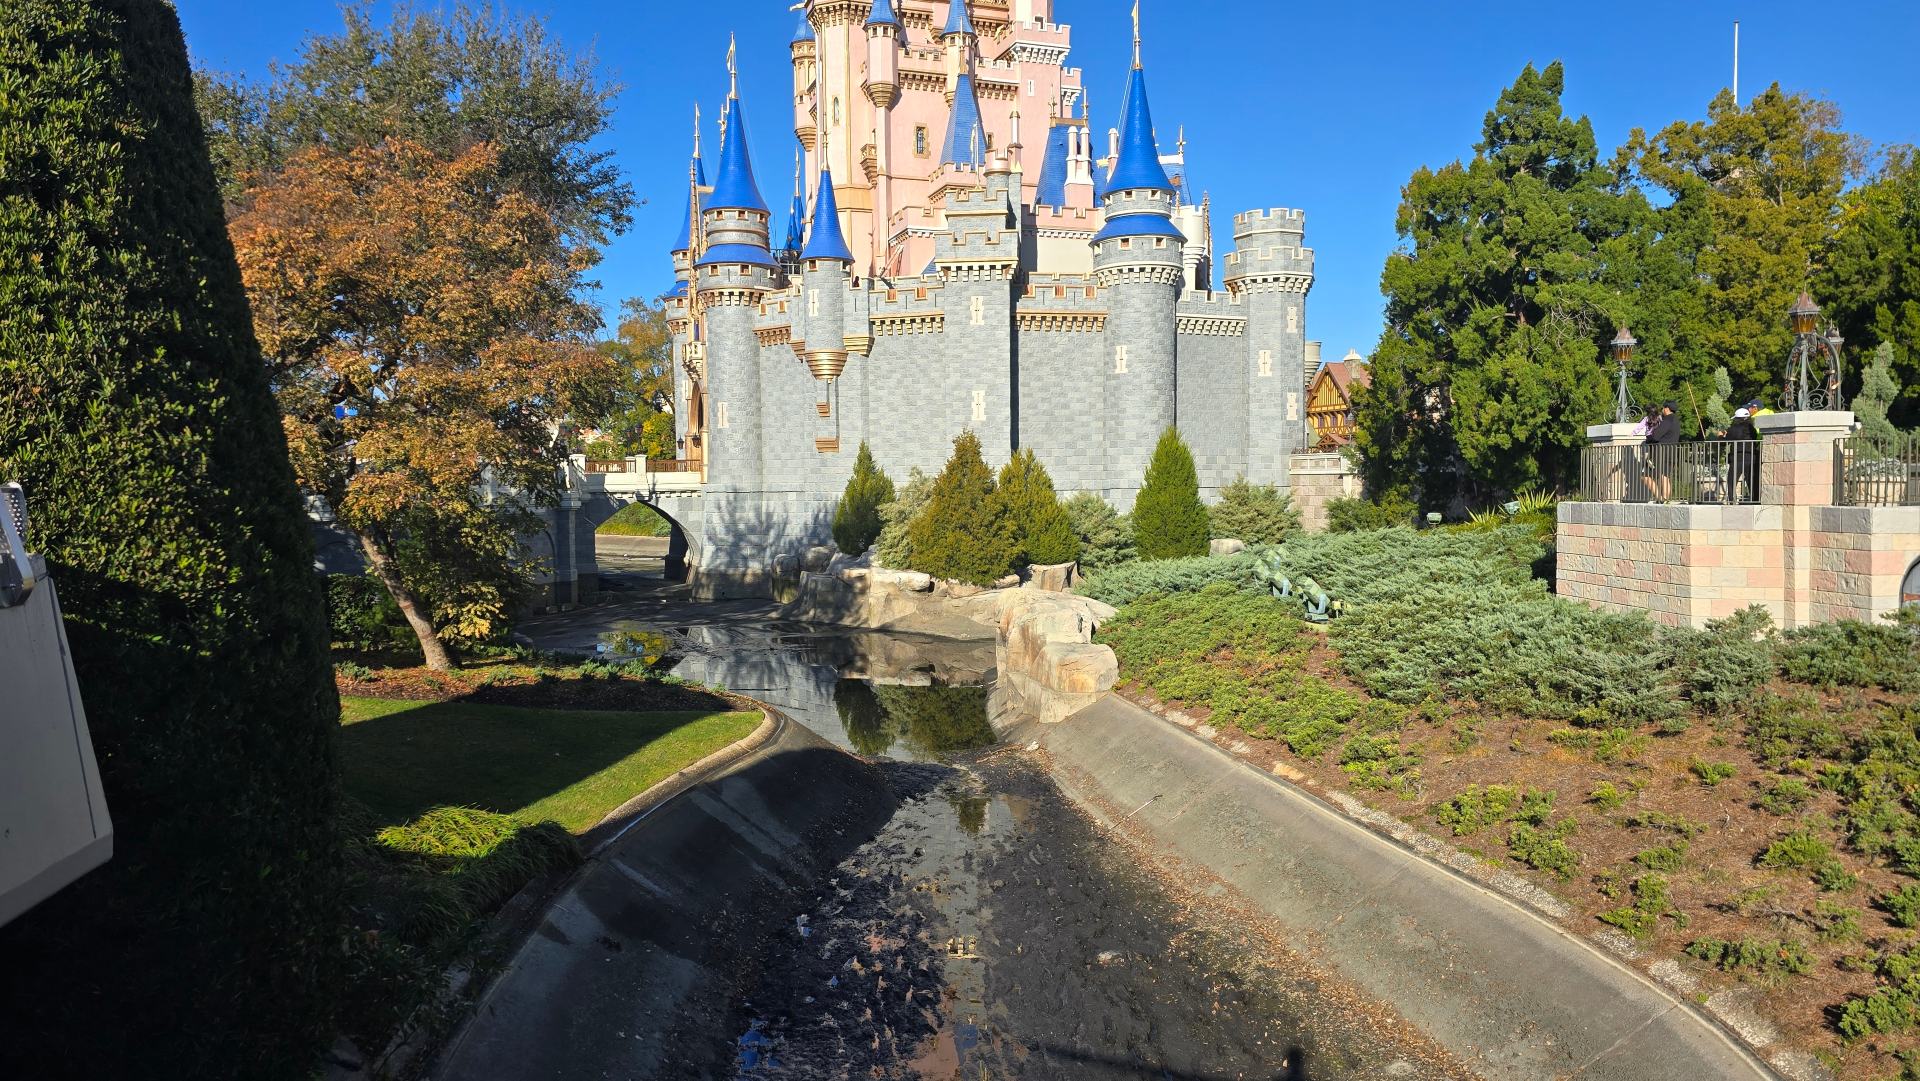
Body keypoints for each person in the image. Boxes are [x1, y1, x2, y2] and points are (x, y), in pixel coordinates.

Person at [1646, 401, 1681, 502]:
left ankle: (1663, 499)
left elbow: (1656, 436)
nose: (1662, 410)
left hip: (1662, 453)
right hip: (1671, 452)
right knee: (1665, 476)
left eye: (1663, 408)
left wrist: (1648, 439)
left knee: (1655, 476)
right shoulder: (1676, 420)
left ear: (1666, 408)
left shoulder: (1667, 420)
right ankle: (1664, 500)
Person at [1725, 407, 1760, 503]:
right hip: (1751, 456)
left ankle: (1732, 500)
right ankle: (1755, 500)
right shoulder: (1751, 428)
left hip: (1737, 457)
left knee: (1732, 479)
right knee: (1751, 480)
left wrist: (1720, 436)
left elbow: (1726, 441)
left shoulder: (1734, 428)